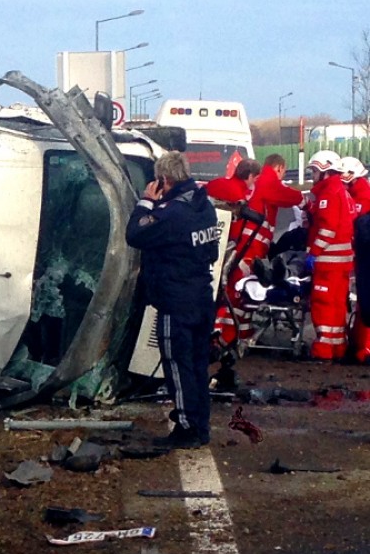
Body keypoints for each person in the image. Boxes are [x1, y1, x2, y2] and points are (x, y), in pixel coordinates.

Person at [126, 151, 221, 449]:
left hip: (175, 300)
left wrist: (145, 202)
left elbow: (135, 234)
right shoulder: (204, 206)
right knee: (196, 365)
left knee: (177, 367)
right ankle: (199, 424)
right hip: (202, 297)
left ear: (163, 180)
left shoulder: (171, 214)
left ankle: (186, 427)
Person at [214, 154, 305, 346]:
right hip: (251, 246)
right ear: (279, 168)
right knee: (237, 291)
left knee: (238, 291)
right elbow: (290, 196)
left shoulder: (236, 184)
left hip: (239, 243)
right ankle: (228, 336)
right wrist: (307, 204)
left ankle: (241, 333)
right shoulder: (268, 181)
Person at [306, 150, 356, 360]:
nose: (313, 176)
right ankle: (337, 346)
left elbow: (328, 227)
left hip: (328, 261)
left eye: (315, 171)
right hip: (342, 261)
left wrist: (314, 253)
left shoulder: (328, 193)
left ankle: (324, 348)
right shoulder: (341, 190)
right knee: (336, 304)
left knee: (323, 304)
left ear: (325, 170)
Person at [205, 158, 260, 346]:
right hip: (224, 249)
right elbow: (237, 232)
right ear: (250, 176)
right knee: (222, 292)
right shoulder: (240, 198)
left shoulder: (216, 184)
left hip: (201, 244)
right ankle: (218, 335)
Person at [340, 157, 370, 361]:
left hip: (364, 255)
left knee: (366, 303)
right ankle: (359, 345)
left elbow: (354, 226)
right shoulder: (356, 193)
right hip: (361, 256)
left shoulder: (362, 197)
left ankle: (364, 348)